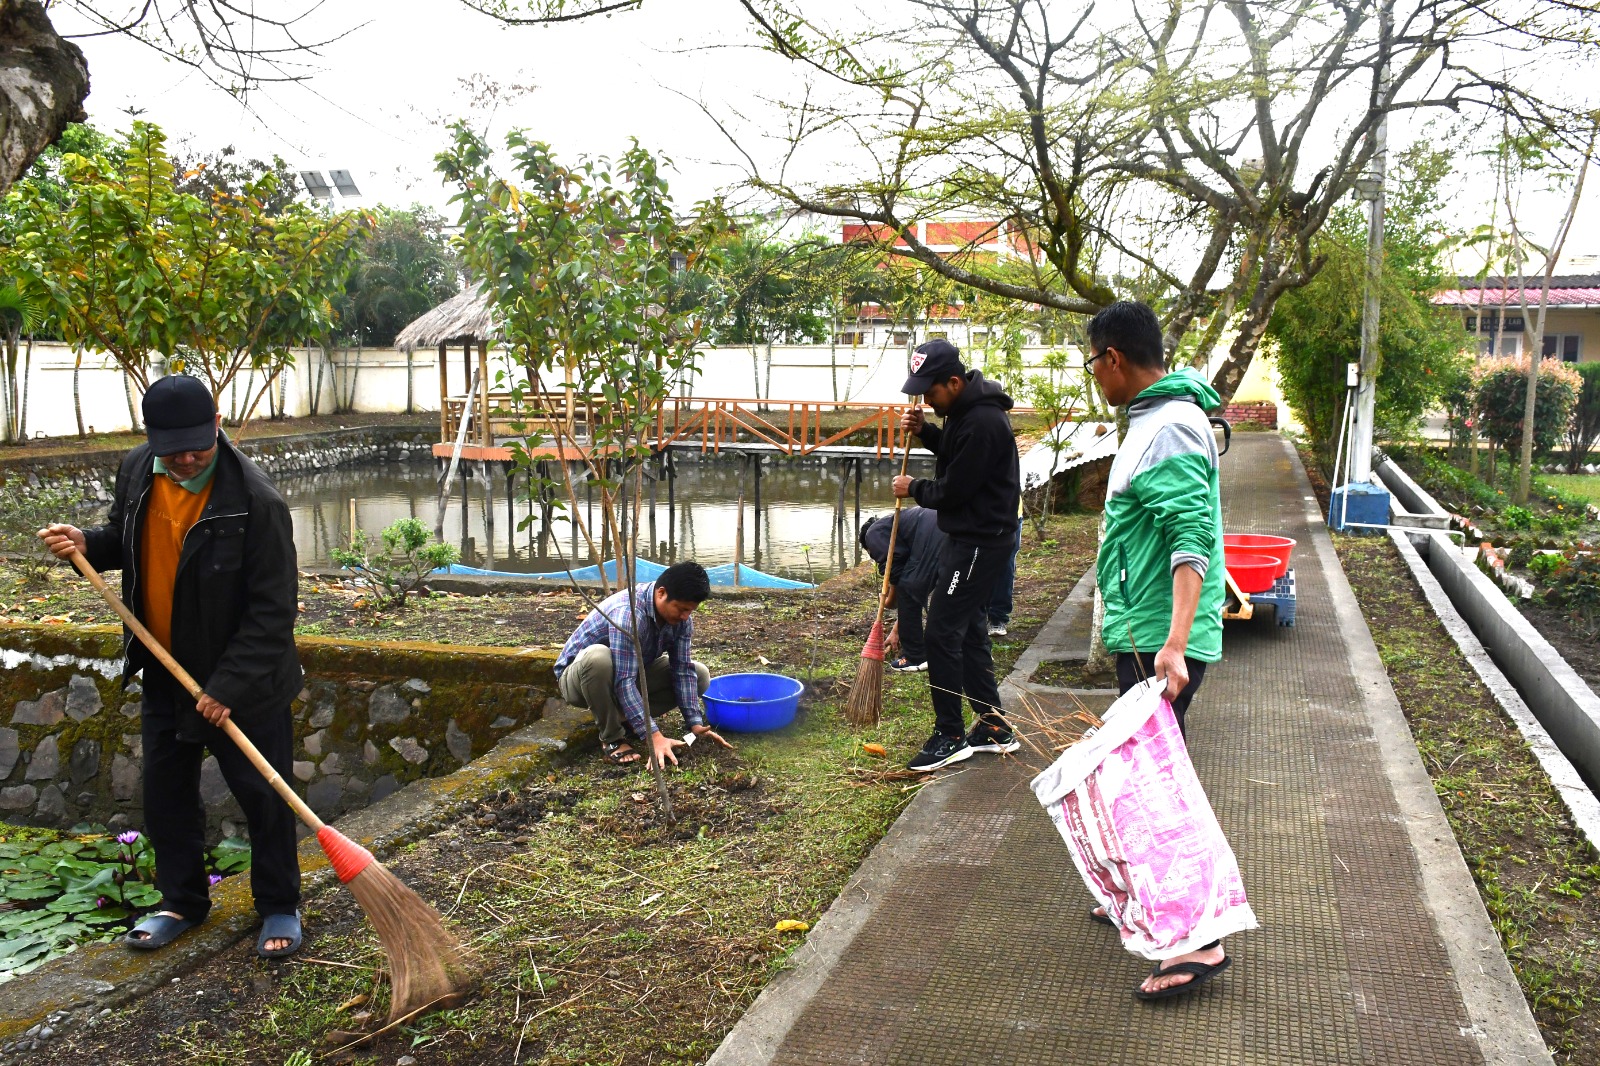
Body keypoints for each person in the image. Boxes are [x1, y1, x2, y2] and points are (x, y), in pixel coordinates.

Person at [38, 374, 304, 958]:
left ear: (217, 426)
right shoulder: (138, 470)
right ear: (151, 437)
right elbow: (126, 539)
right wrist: (87, 543)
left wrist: (227, 686)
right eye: (172, 447)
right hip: (165, 669)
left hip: (246, 681)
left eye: (196, 446)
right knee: (166, 796)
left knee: (264, 797)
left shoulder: (255, 502)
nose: (185, 458)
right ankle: (180, 902)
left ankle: (279, 904)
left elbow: (272, 612)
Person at [1083, 299, 1231, 1000]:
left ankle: (1198, 942)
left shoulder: (1168, 425)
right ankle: (1144, 893)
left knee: (1155, 787)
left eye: (1093, 363)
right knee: (1143, 775)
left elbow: (1189, 535)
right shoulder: (1160, 418)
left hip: (1159, 640)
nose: (1093, 376)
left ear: (1113, 358)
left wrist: (1174, 642)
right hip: (1144, 630)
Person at [893, 339, 1022, 772]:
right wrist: (927, 432)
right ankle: (992, 725)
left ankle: (950, 735)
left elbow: (954, 490)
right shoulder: (966, 413)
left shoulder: (983, 421)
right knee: (966, 631)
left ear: (953, 381)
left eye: (930, 392)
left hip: (979, 542)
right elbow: (958, 455)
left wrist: (912, 488)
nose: (927, 400)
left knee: (940, 634)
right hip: (972, 537)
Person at [555, 560, 732, 767]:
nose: (685, 616)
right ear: (661, 593)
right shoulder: (628, 614)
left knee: (699, 674)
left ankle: (626, 717)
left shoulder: (682, 620)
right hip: (580, 680)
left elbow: (682, 671)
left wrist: (694, 723)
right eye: (681, 609)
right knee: (599, 658)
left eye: (690, 611)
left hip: (628, 672)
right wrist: (654, 736)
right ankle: (611, 738)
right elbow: (624, 680)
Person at [857, 505, 945, 673]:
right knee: (953, 592)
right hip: (952, 531)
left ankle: (915, 657)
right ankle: (973, 647)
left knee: (908, 586)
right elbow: (918, 590)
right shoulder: (904, 527)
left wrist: (890, 599)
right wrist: (898, 628)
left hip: (936, 534)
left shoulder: (872, 534)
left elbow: (896, 566)